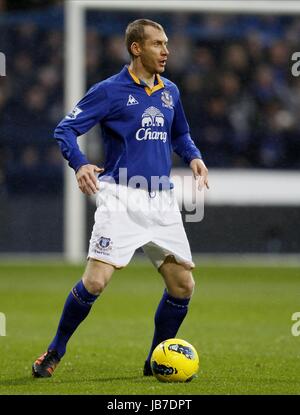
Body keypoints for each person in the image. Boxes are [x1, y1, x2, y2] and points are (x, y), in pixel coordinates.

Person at [32, 19, 209, 378]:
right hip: (121, 195)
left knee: (183, 285)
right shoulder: (109, 91)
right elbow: (65, 129)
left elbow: (181, 132)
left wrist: (193, 155)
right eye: (158, 44)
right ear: (136, 48)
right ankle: (54, 351)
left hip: (162, 200)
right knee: (95, 282)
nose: (166, 50)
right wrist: (80, 164)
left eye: (167, 43)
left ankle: (154, 361)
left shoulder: (169, 91)